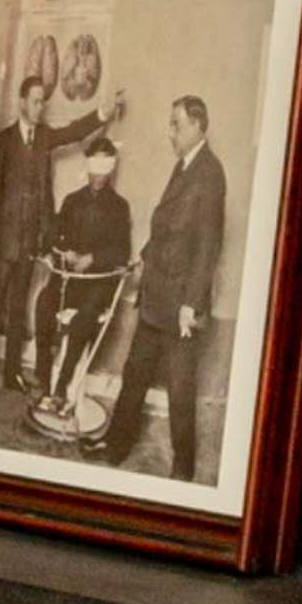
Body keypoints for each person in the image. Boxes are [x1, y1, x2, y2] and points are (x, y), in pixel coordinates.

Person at [94, 93, 233, 479]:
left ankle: (182, 470)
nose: (169, 131)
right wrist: (143, 256)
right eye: (171, 124)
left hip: (181, 307)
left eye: (176, 124)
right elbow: (166, 229)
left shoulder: (210, 173)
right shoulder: (184, 166)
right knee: (135, 373)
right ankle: (116, 445)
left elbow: (208, 244)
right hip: (157, 296)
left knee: (180, 390)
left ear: (197, 126)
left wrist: (191, 304)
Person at [32, 129, 132, 430]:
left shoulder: (119, 207)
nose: (98, 174)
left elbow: (121, 251)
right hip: (70, 280)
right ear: (87, 166)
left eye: (104, 167)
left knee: (84, 317)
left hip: (98, 285)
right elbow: (55, 238)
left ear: (111, 168)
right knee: (44, 303)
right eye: (94, 166)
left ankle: (62, 387)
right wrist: (65, 251)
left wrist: (93, 258)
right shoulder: (72, 201)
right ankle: (43, 380)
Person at [0, 65, 55, 417]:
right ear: (22, 102)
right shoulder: (6, 140)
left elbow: (72, 132)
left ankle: (11, 375)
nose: (40, 107)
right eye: (35, 101)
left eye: (43, 102)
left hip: (27, 247)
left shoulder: (43, 140)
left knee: (18, 311)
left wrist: (100, 115)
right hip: (3, 244)